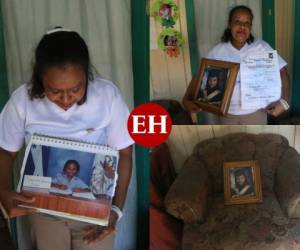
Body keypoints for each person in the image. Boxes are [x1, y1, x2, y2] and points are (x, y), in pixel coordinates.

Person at [0, 27, 133, 250]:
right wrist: (2, 192)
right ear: (40, 80)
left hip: (94, 214)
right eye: (54, 91)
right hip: (42, 210)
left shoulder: (107, 96)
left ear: (86, 78)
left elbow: (125, 153)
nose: (65, 99)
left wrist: (115, 212)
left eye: (75, 89)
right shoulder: (22, 100)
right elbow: (5, 151)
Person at [183, 5, 290, 124]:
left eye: (247, 23)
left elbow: (283, 71)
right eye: (237, 22)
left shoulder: (262, 47)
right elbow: (201, 75)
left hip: (256, 113)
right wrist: (186, 99)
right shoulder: (218, 51)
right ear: (230, 25)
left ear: (250, 27)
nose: (242, 26)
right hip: (227, 114)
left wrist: (285, 102)